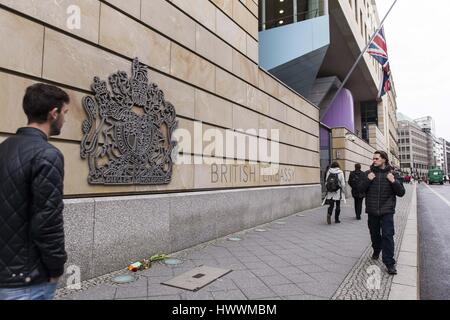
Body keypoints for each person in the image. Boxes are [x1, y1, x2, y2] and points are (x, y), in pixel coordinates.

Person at [0, 83, 70, 300]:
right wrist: (56, 268)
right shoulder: (47, 155)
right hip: (27, 280)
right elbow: (47, 222)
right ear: (53, 113)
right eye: (65, 113)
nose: (65, 120)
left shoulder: (4, 148)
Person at [359, 151, 405, 275]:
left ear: (384, 159)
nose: (374, 160)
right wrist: (368, 181)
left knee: (388, 235)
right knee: (374, 234)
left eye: (376, 158)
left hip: (387, 210)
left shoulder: (393, 174)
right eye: (373, 158)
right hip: (372, 210)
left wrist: (393, 181)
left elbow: (401, 193)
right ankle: (376, 249)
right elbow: (360, 190)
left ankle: (389, 263)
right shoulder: (368, 173)